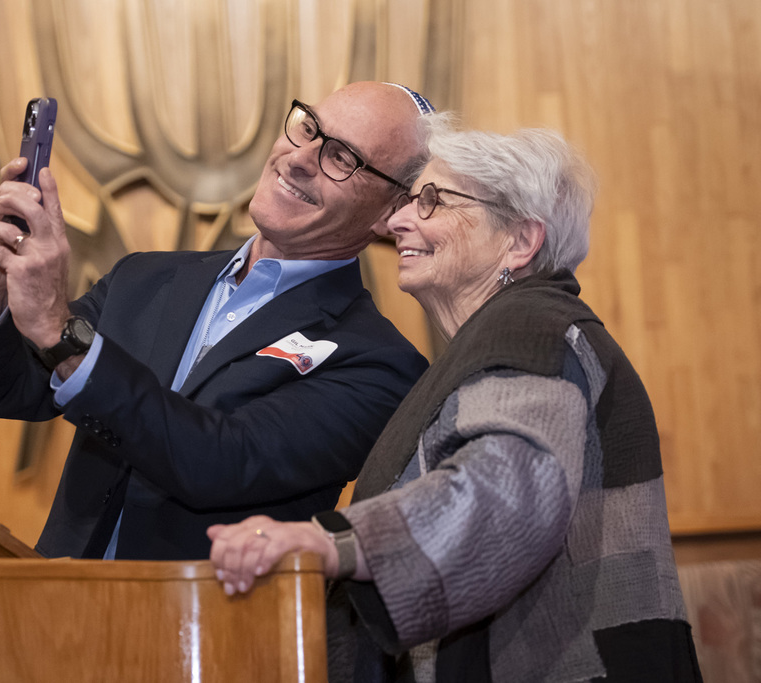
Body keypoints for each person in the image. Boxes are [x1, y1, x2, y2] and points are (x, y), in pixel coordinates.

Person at [208, 117, 702, 681]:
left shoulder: (530, 328)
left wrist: (327, 542)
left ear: (519, 241)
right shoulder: (520, 330)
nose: (395, 221)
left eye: (433, 201)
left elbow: (504, 492)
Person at [0, 82, 435, 561]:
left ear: (390, 212)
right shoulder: (145, 278)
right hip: (58, 620)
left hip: (202, 637)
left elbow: (219, 461)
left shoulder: (380, 365)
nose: (301, 158)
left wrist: (58, 333)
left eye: (342, 158)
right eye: (308, 129)